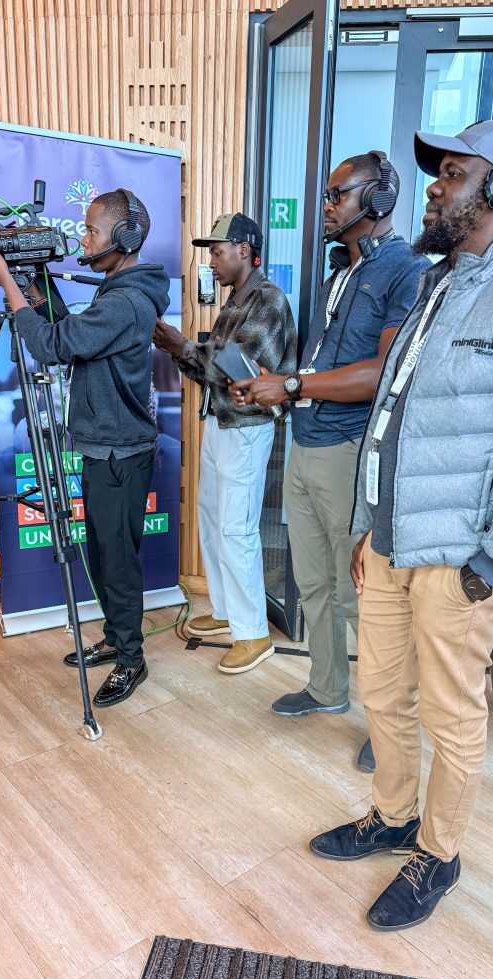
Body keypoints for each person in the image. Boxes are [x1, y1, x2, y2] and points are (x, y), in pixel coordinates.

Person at [308, 118, 493, 930]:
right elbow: (393, 421)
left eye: (453, 173)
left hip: (461, 562)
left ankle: (437, 854)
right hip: (392, 545)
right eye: (439, 173)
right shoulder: (434, 286)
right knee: (383, 695)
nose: (435, 188)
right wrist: (369, 525)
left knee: (450, 717)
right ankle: (392, 815)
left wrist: (491, 564)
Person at [233, 153, 428, 721]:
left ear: (378, 199)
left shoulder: (407, 270)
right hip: (306, 444)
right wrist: (273, 386)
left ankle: (389, 725)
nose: (325, 206)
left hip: (350, 452)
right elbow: (322, 365)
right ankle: (326, 688)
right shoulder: (337, 274)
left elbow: (385, 372)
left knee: (359, 595)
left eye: (337, 194)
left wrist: (291, 384)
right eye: (325, 194)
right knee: (314, 583)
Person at [0, 188, 170, 708]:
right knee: (104, 557)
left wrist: (8, 284)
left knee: (117, 564)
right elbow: (68, 330)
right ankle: (117, 638)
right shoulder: (117, 291)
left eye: (91, 231)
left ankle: (132, 659)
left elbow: (52, 346)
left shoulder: (126, 301)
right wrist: (32, 282)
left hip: (119, 454)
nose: (83, 239)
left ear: (124, 237)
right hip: (105, 448)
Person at [153, 213, 297, 674]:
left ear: (244, 250)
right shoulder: (235, 301)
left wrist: (182, 347)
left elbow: (243, 368)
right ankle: (227, 611)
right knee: (213, 520)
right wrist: (181, 352)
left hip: (246, 429)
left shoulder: (268, 299)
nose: (211, 261)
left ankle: (253, 633)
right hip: (220, 423)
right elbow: (214, 372)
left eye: (217, 252)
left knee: (236, 528)